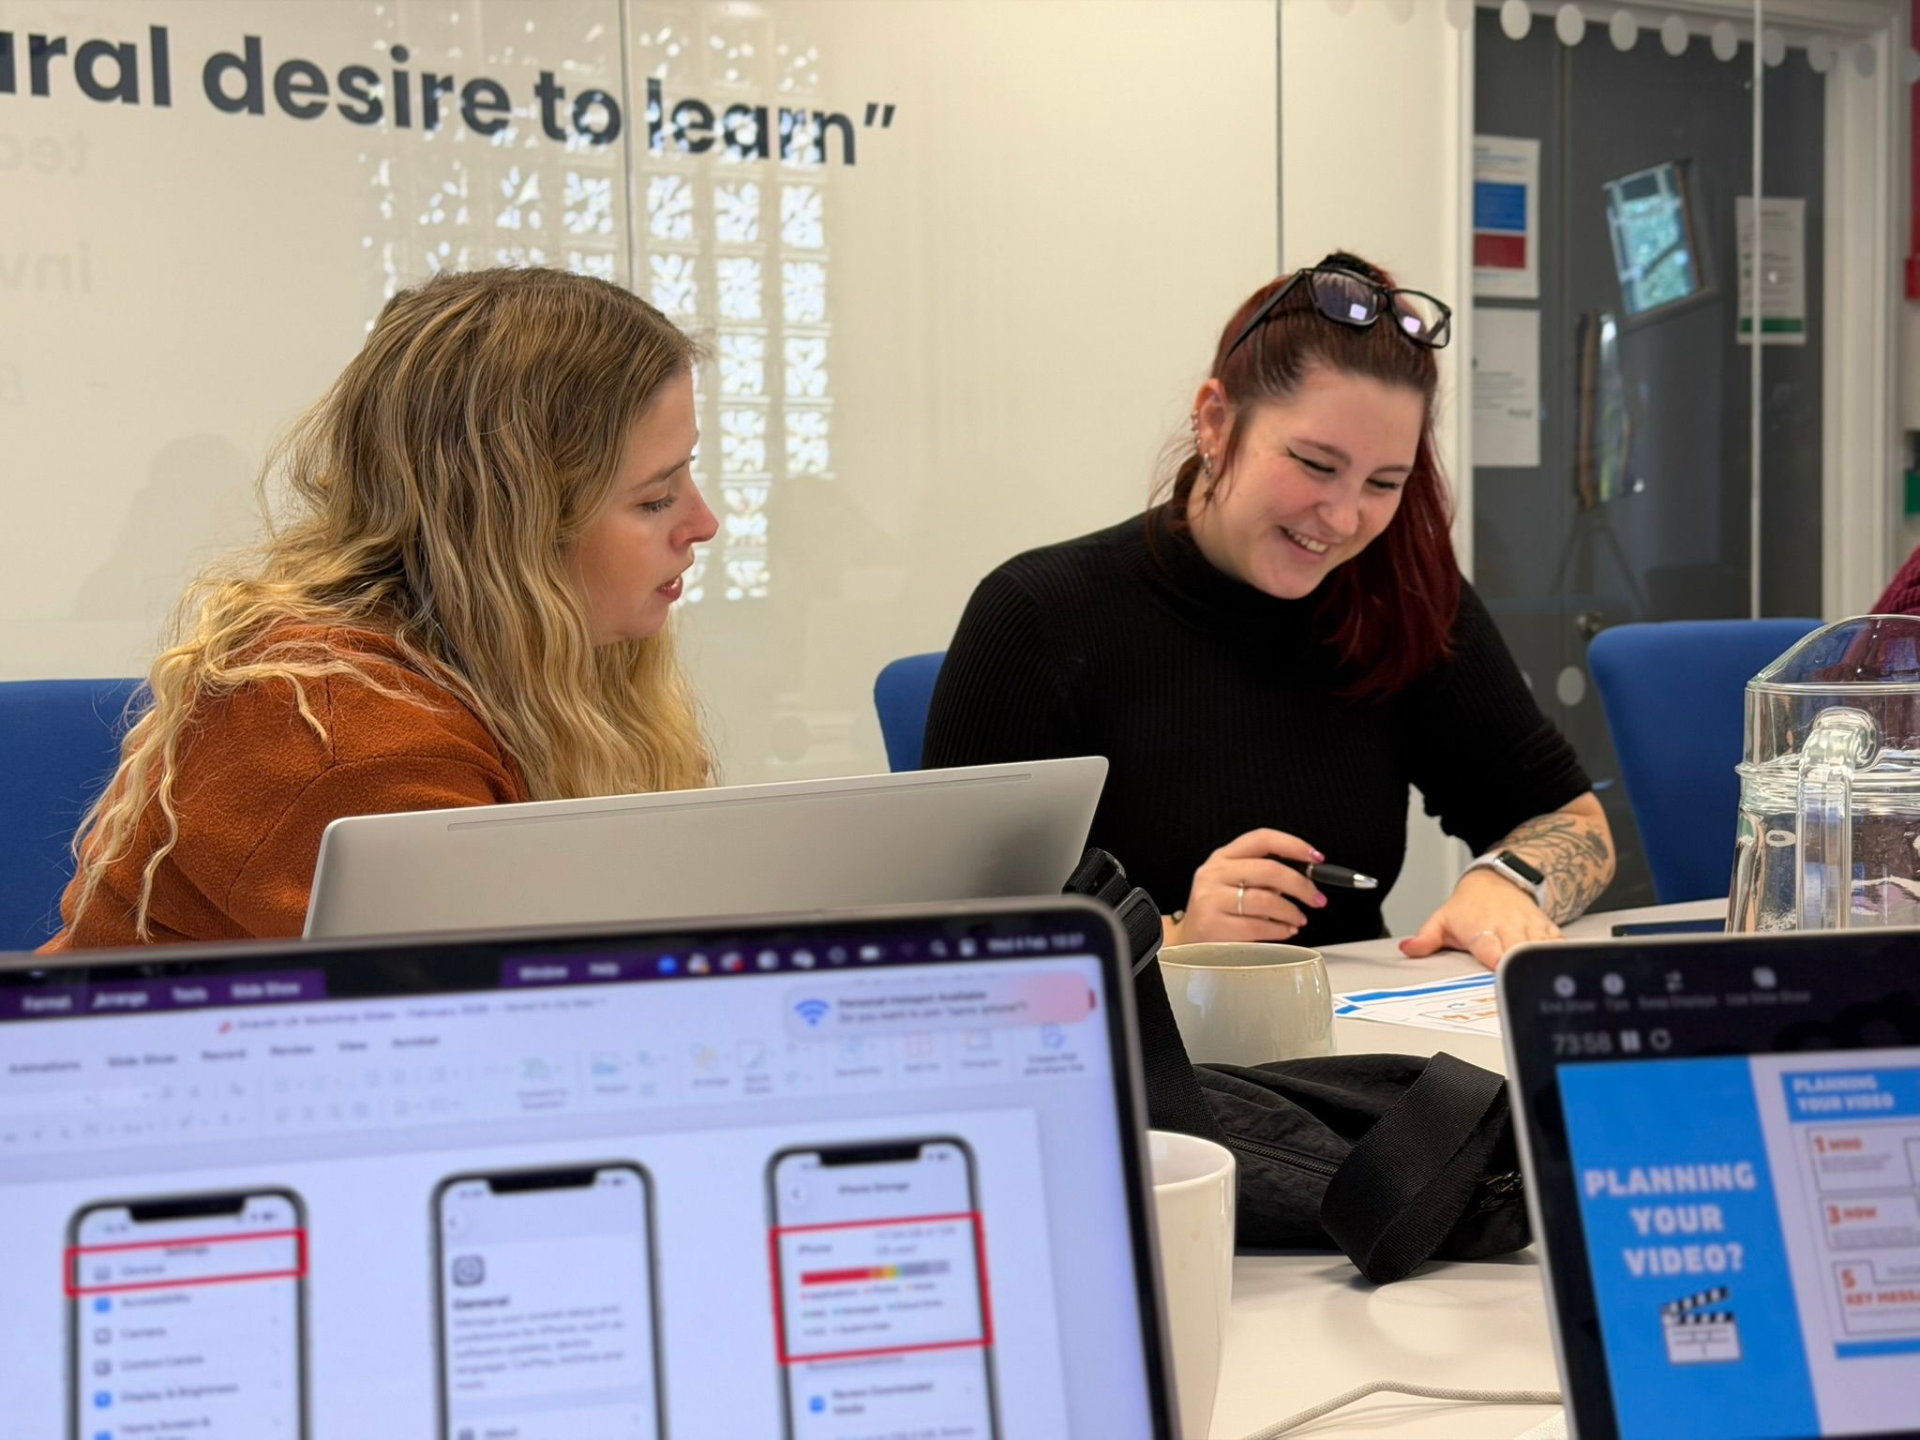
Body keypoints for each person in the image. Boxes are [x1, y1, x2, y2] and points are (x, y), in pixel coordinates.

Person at [924, 252, 1615, 968]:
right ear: (1216, 421)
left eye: (1385, 483)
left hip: (1355, 1043)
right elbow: (953, 933)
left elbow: (1573, 821)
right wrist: (1177, 934)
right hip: (1134, 1058)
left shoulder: (1401, 599)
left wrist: (1508, 883)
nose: (1344, 518)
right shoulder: (1042, 614)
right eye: (1316, 465)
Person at [47, 267, 718, 949]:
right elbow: (506, 1016)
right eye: (655, 497)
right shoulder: (334, 735)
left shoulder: (552, 661)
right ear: (508, 527)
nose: (704, 522)